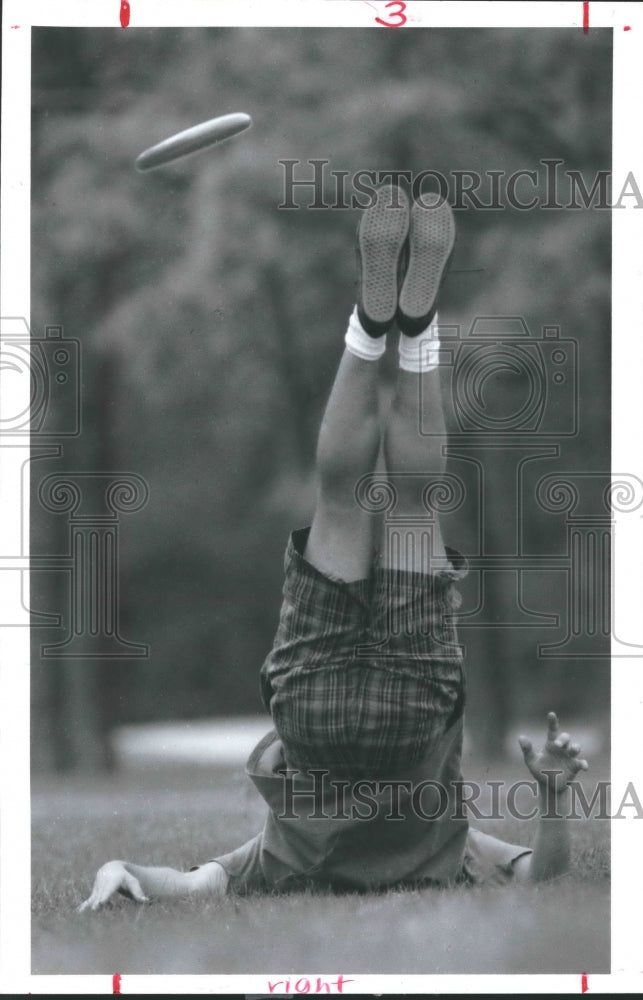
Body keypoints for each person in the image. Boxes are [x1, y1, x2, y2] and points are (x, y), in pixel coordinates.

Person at [79, 184, 588, 911]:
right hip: (311, 715)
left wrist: (551, 794)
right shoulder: (279, 857)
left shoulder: (449, 851)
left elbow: (538, 875)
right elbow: (192, 884)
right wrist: (123, 870)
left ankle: (400, 329)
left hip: (413, 712)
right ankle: (380, 323)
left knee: (410, 502)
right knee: (343, 498)